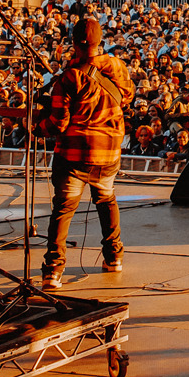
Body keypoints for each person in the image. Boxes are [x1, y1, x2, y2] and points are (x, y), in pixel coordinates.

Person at [41, 16, 133, 288]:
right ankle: (113, 257)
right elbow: (127, 97)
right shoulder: (118, 67)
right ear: (99, 42)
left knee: (64, 208)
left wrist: (36, 127)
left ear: (73, 43)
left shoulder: (69, 77)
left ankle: (53, 271)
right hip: (108, 152)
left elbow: (58, 123)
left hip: (74, 154)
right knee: (106, 199)